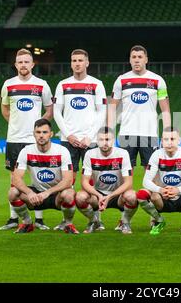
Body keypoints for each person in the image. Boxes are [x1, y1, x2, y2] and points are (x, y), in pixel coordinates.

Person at [0, 48, 53, 231]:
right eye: (20, 62)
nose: (23, 65)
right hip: (14, 139)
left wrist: (38, 130)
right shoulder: (8, 85)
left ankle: (39, 219)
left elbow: (49, 110)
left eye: (26, 62)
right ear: (15, 65)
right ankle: (14, 217)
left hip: (34, 140)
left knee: (38, 178)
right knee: (14, 179)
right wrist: (15, 124)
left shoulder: (42, 85)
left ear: (32, 64)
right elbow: (5, 109)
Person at [54, 49, 107, 230]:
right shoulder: (63, 85)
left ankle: (96, 219)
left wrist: (89, 136)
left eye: (80, 60)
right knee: (67, 181)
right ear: (71, 63)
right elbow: (56, 112)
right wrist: (68, 135)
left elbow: (102, 112)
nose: (77, 63)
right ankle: (67, 220)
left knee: (91, 180)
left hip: (89, 140)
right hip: (67, 140)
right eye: (74, 60)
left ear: (87, 62)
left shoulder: (96, 84)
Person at [107, 45, 171, 170]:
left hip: (149, 133)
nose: (137, 60)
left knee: (152, 172)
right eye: (134, 57)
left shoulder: (158, 80)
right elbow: (112, 108)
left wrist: (166, 132)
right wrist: (109, 131)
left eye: (140, 57)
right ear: (130, 60)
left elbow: (165, 110)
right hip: (126, 133)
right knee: (124, 172)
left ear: (146, 59)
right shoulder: (121, 80)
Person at [9, 118, 78, 234]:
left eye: (45, 132)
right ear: (34, 134)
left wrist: (48, 192)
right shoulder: (26, 151)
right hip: (36, 194)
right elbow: (16, 178)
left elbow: (68, 181)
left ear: (51, 134)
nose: (41, 136)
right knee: (12, 192)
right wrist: (30, 192)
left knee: (69, 194)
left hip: (56, 194)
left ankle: (68, 224)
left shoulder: (62, 151)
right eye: (38, 132)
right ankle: (27, 223)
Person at [136, 127, 181, 236]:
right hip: (163, 197)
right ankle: (159, 220)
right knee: (142, 194)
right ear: (161, 141)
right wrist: (160, 190)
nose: (169, 143)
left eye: (172, 139)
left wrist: (178, 190)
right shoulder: (156, 155)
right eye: (166, 139)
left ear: (179, 140)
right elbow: (146, 181)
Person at [74, 127, 137, 234]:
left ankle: (125, 223)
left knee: (132, 196)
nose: (105, 143)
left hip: (118, 195)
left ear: (113, 140)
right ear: (97, 141)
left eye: (107, 139)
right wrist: (98, 195)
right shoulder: (90, 154)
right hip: (97, 194)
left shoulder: (123, 153)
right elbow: (84, 182)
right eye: (101, 140)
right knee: (80, 197)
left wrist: (110, 197)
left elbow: (128, 182)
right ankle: (94, 221)